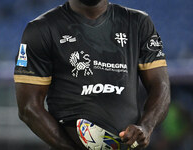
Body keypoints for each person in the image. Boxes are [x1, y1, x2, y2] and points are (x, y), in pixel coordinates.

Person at [14, 0, 170, 149]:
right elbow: (29, 107)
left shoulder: (138, 23)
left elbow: (161, 86)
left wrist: (145, 127)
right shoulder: (41, 29)